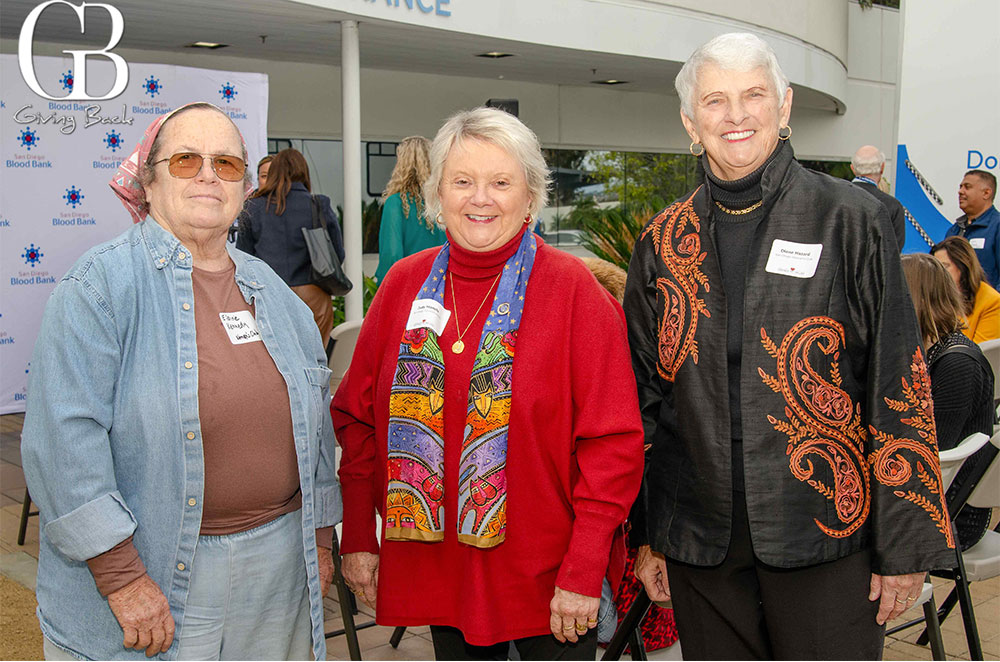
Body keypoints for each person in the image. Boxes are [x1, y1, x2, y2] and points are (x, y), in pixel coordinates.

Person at [624, 33, 955, 660]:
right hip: (700, 540)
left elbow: (897, 380)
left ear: (784, 106)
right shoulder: (662, 242)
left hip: (828, 536)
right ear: (691, 123)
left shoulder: (850, 220)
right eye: (715, 101)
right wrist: (650, 534)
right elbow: (642, 402)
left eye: (754, 94)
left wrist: (906, 543)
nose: (737, 114)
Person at [21, 102, 340, 661]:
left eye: (227, 163)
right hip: (156, 570)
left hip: (278, 566)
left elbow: (313, 426)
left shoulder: (272, 289)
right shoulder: (99, 288)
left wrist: (317, 538)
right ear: (149, 178)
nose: (209, 176)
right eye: (187, 160)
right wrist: (121, 578)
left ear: (247, 185)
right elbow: (63, 445)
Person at [332, 107, 644, 660]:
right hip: (437, 568)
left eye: (501, 182)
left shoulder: (573, 291)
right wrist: (359, 534)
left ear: (530, 197)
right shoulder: (404, 285)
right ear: (438, 195)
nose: (481, 198)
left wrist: (585, 564)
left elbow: (613, 443)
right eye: (462, 181)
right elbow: (356, 419)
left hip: (548, 579)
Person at [901, 254, 996, 551]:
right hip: (938, 504)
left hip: (953, 519)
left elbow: (932, 455)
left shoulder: (956, 364)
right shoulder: (937, 348)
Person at [237, 148, 345, 345]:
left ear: (275, 172)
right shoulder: (318, 204)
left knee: (275, 359)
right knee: (315, 359)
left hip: (268, 294)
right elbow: (338, 253)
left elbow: (242, 257)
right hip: (313, 295)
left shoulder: (254, 207)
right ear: (303, 171)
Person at [374, 135, 446, 284]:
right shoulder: (444, 201)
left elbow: (391, 254)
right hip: (443, 284)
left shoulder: (395, 203)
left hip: (411, 287)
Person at [932, 236, 1000, 342]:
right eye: (935, 267)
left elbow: (982, 353)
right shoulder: (932, 298)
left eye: (945, 266)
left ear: (963, 266)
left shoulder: (992, 302)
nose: (939, 273)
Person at [945, 169, 1000, 287]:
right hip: (956, 303)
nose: (960, 191)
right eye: (960, 187)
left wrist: (993, 303)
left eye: (967, 187)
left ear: (986, 193)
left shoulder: (997, 226)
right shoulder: (954, 230)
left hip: (988, 304)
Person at [851, 144, 907, 250]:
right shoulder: (892, 206)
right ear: (882, 167)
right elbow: (894, 252)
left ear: (853, 168)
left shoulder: (835, 200)